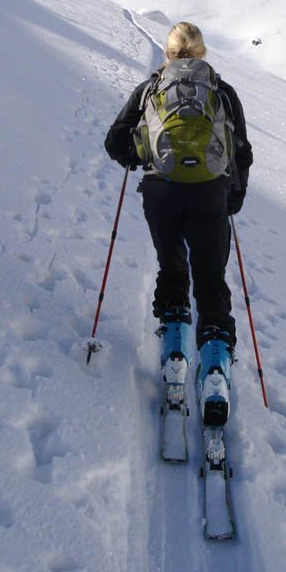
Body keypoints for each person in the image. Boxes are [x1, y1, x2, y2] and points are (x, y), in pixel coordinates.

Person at [104, 22, 253, 425]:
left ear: (168, 53)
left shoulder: (151, 89)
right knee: (210, 278)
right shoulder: (221, 91)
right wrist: (232, 198)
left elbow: (115, 141)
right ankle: (216, 370)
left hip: (162, 192)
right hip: (211, 194)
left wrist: (138, 158)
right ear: (202, 52)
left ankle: (174, 356)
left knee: (172, 268)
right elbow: (241, 152)